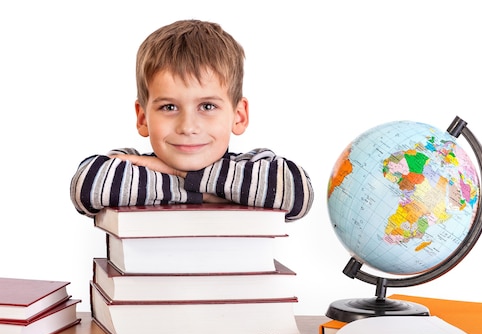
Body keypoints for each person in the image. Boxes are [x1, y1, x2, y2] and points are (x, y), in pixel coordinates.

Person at [70, 19, 314, 221]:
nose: (187, 127)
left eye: (207, 106)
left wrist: (175, 172)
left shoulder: (256, 164)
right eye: (169, 107)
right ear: (143, 118)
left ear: (238, 117)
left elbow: (297, 193)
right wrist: (208, 193)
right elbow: (88, 185)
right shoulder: (126, 163)